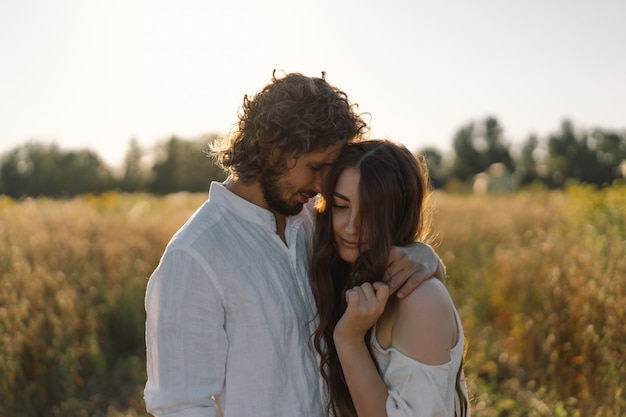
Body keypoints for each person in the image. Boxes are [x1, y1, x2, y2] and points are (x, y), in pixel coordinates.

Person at [144, 72, 446, 417]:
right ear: (271, 146)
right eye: (315, 167)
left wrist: (424, 255)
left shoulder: (312, 223)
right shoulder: (195, 255)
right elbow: (180, 407)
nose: (323, 185)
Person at [310, 139, 470, 417]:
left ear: (398, 214)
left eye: (371, 213)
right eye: (340, 206)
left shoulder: (420, 300)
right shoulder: (335, 272)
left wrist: (349, 340)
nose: (351, 228)